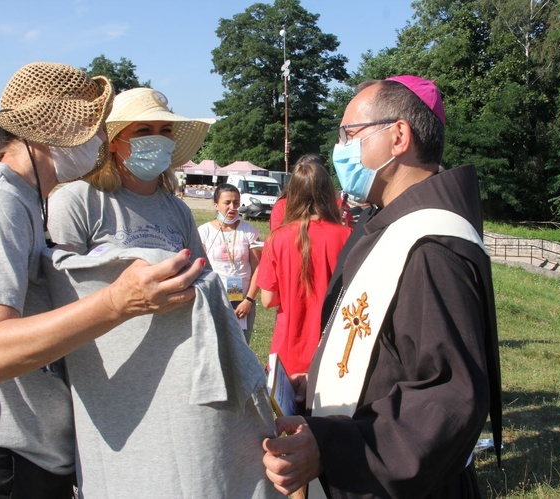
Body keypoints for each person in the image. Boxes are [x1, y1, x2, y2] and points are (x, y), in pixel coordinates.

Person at [0, 63, 204, 498]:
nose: (103, 140)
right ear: (56, 129)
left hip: (18, 462)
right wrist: (118, 301)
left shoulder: (23, 202)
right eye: (95, 127)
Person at [261, 76, 503, 498]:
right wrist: (317, 384)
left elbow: (446, 399)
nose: (340, 149)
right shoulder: (391, 224)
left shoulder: (431, 244)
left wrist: (331, 449)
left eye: (350, 134)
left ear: (398, 136)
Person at [47, 87, 279, 498]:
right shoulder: (77, 202)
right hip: (111, 379)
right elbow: (62, 293)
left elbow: (203, 283)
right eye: (143, 129)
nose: (156, 137)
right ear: (115, 141)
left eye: (164, 129)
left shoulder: (178, 211)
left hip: (181, 377)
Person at [256, 154, 352, 375]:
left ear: (293, 194)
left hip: (287, 350)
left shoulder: (277, 238)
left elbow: (268, 300)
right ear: (328, 192)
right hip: (332, 350)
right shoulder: (346, 236)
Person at [198, 183, 262, 342]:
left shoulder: (249, 231)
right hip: (214, 299)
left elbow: (259, 269)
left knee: (241, 348)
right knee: (215, 347)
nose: (232, 207)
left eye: (236, 202)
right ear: (216, 205)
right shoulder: (204, 232)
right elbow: (199, 269)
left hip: (242, 301)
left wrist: (249, 300)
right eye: (227, 203)